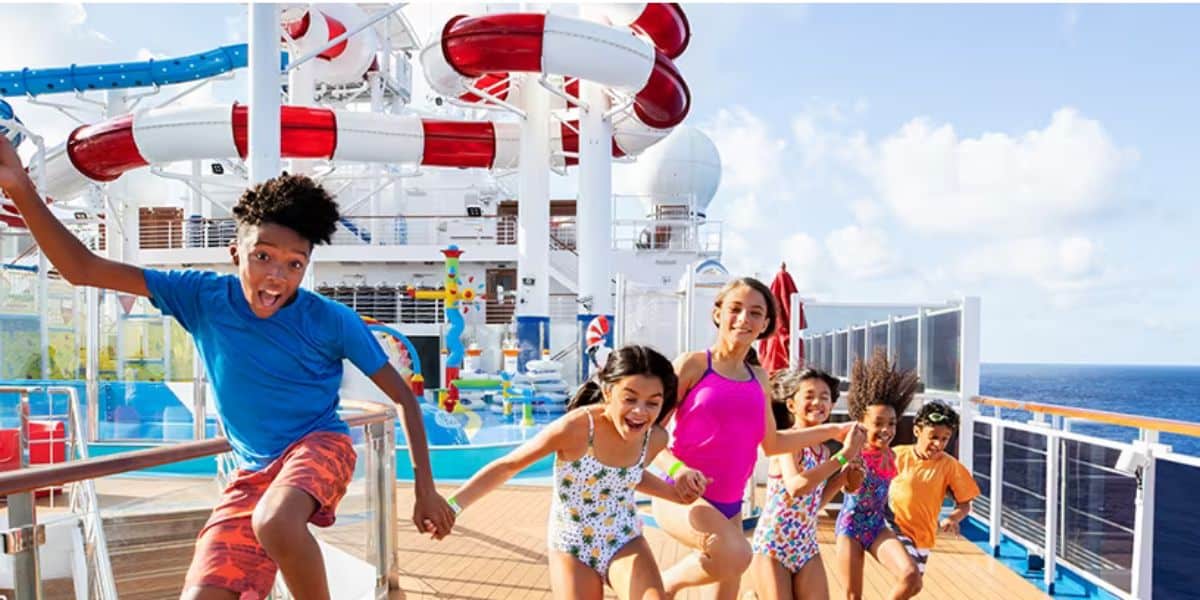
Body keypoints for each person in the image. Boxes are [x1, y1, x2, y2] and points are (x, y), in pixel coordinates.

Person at [0, 137, 454, 600]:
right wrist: (18, 186)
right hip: (252, 474)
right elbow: (83, 268)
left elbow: (402, 397)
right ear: (236, 252)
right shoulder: (201, 297)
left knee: (276, 520)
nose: (277, 276)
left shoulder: (330, 319)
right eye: (263, 257)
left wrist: (425, 488)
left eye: (294, 265)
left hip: (321, 446)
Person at [649, 277, 860, 600]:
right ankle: (667, 584)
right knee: (736, 554)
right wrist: (678, 471)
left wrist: (834, 431)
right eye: (735, 309)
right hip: (677, 490)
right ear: (718, 313)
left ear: (765, 324)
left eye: (755, 313)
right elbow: (652, 434)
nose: (744, 319)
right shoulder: (693, 364)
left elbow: (772, 443)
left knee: (725, 591)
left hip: (730, 505)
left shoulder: (758, 377)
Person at [443, 345, 700, 600]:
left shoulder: (653, 438)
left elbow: (628, 476)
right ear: (609, 392)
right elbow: (508, 466)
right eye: (630, 399)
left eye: (652, 403)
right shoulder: (577, 429)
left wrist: (674, 494)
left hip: (622, 538)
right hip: (572, 543)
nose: (640, 412)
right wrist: (452, 507)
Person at [751, 368, 865, 600]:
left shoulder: (823, 451)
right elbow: (795, 487)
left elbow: (813, 503)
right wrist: (842, 457)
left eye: (824, 397)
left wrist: (843, 477)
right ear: (791, 405)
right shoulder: (786, 440)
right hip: (774, 543)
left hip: (806, 545)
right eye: (809, 396)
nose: (817, 402)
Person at [834, 348, 921, 600]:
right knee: (853, 596)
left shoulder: (892, 456)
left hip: (876, 526)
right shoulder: (856, 453)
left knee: (911, 577)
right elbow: (847, 487)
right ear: (861, 422)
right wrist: (850, 471)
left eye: (891, 423)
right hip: (850, 528)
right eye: (878, 423)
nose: (886, 430)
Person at [887, 400, 981, 578]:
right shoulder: (897, 455)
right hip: (893, 528)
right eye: (933, 437)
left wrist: (953, 518)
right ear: (917, 431)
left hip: (923, 536)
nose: (938, 444)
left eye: (944, 439)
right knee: (910, 575)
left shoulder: (950, 466)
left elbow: (965, 504)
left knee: (913, 585)